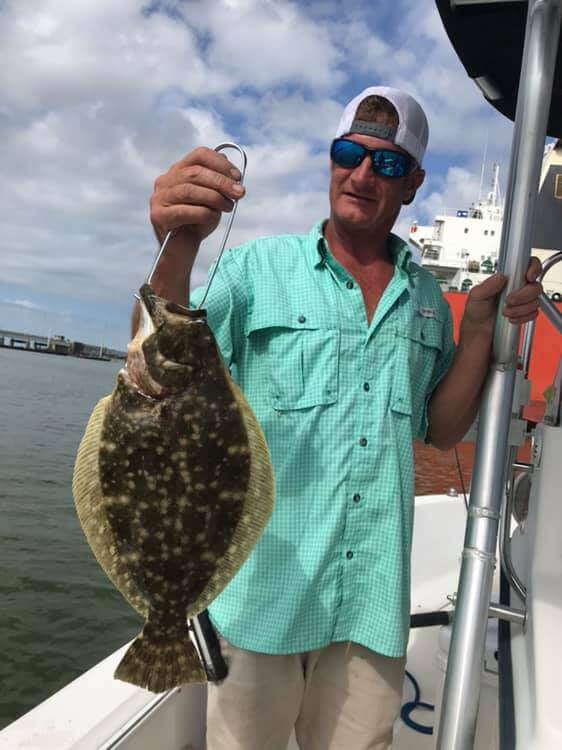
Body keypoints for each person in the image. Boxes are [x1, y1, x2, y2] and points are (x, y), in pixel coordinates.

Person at [140, 87, 542, 750]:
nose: (362, 174)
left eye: (386, 165)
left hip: (369, 609)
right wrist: (176, 247)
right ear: (331, 161)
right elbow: (159, 374)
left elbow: (437, 432)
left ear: (412, 185)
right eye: (349, 154)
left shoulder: (425, 302)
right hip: (259, 601)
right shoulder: (253, 268)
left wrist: (475, 333)